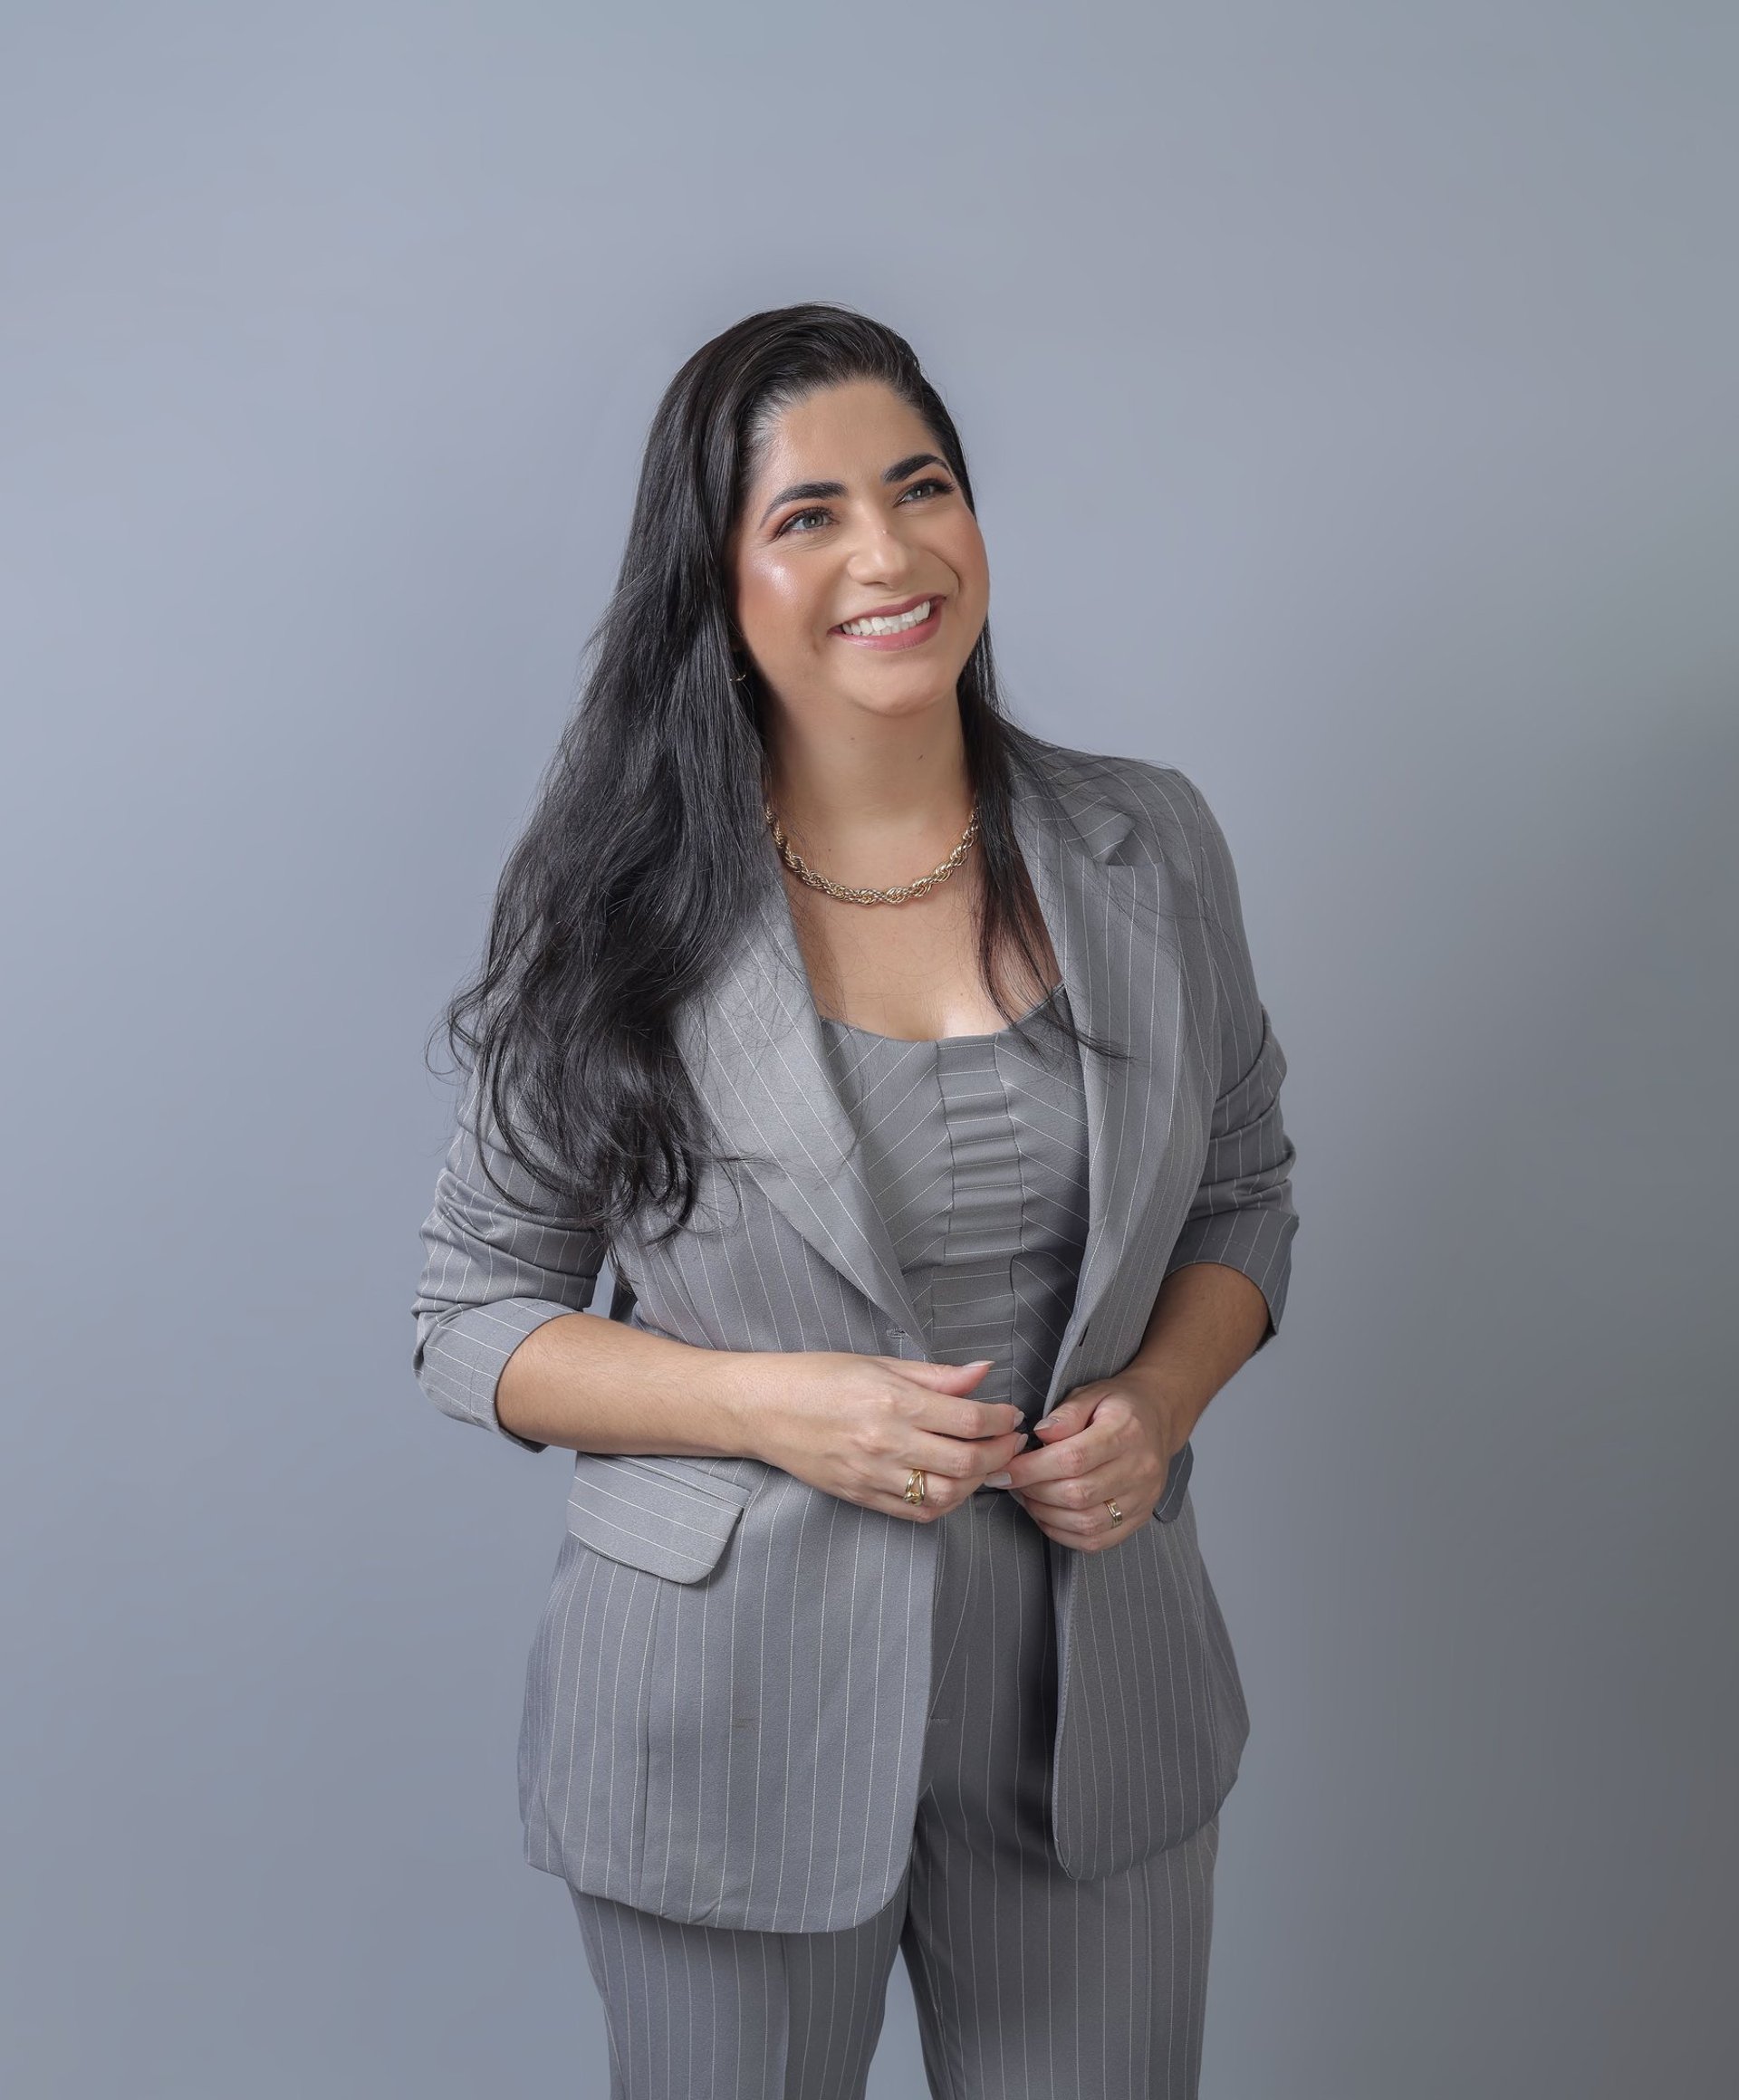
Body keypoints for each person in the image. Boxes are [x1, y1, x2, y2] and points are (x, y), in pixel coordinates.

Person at [411, 302, 1300, 2100]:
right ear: (716, 580)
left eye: (922, 488)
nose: (888, 554)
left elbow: (1242, 1191)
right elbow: (472, 1314)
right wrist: (770, 1405)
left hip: (1093, 1705)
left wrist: (1161, 1399)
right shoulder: (617, 904)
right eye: (808, 515)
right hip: (727, 1711)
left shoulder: (1152, 844)